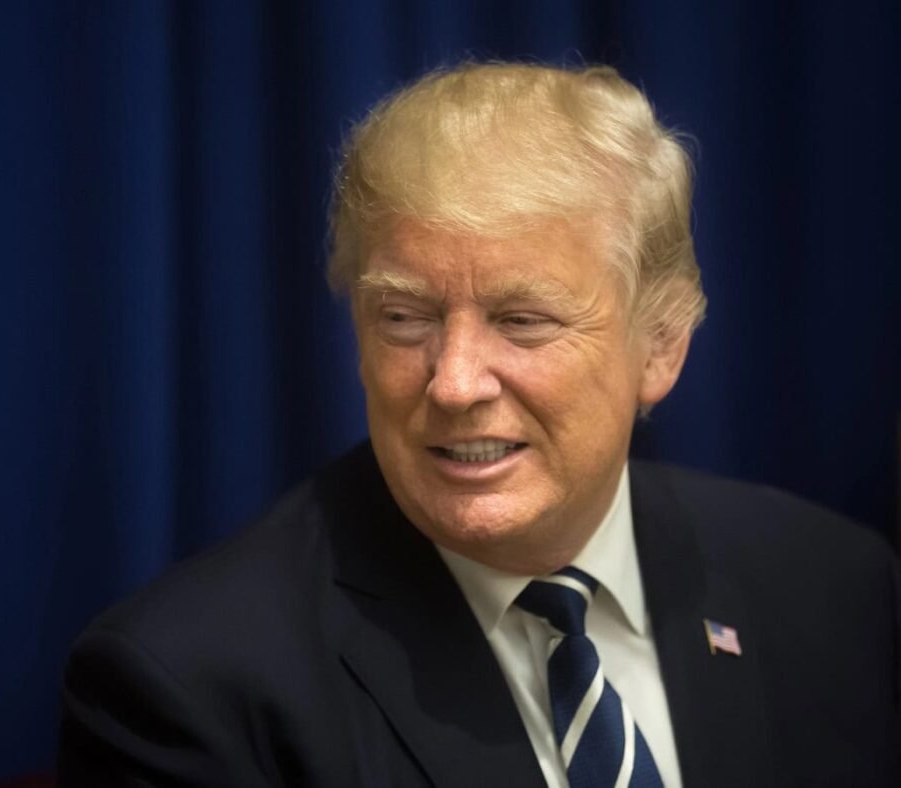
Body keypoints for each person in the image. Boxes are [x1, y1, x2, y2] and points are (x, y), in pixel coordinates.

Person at [57, 63, 900, 787]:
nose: (454, 382)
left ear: (662, 346)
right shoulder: (192, 687)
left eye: (524, 319)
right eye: (403, 318)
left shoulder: (835, 586)